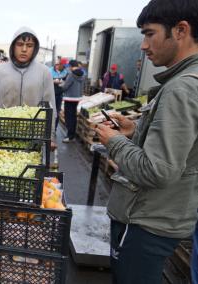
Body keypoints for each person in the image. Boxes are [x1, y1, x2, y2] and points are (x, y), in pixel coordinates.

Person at [94, 0, 198, 283]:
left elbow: (158, 170)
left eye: (149, 33)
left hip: (147, 220)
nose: (143, 45)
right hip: (165, 215)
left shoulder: (181, 88)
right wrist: (136, 129)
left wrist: (114, 140)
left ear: (180, 30)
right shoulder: (189, 82)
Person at [0, 27, 57, 150]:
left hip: (34, 138)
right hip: (2, 137)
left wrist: (51, 136)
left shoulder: (44, 72)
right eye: (20, 44)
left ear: (35, 48)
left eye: (29, 45)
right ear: (13, 46)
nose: (24, 49)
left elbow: (50, 106)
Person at [60, 60, 84, 143]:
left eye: (69, 66)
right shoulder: (82, 74)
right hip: (77, 98)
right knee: (73, 116)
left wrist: (60, 84)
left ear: (70, 66)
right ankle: (72, 135)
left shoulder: (71, 74)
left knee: (68, 117)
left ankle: (69, 136)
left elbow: (65, 87)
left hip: (69, 98)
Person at [49, 58, 68, 131]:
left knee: (57, 111)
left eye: (59, 64)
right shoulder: (50, 71)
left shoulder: (65, 72)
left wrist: (62, 82)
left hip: (59, 94)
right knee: (50, 110)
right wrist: (53, 81)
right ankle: (49, 128)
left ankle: (54, 128)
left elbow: (66, 81)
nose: (57, 66)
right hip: (51, 94)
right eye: (56, 64)